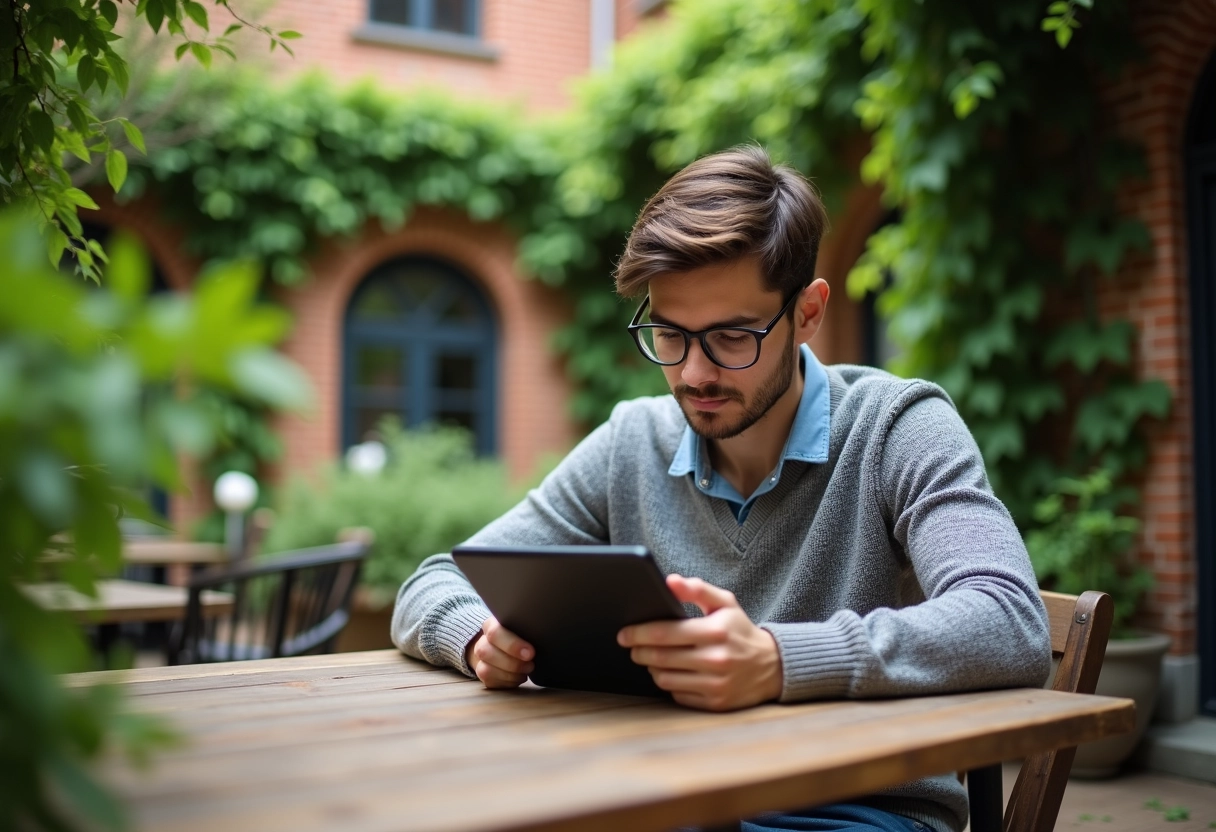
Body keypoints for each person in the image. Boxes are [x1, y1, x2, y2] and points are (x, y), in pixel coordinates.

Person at [391, 145, 1051, 832]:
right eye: (670, 334)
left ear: (808, 313)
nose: (695, 373)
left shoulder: (897, 426)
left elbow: (1009, 619)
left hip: (858, 811)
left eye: (733, 336)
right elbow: (434, 582)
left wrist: (776, 660)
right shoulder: (631, 442)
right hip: (675, 797)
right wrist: (478, 640)